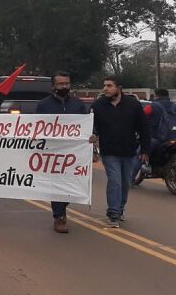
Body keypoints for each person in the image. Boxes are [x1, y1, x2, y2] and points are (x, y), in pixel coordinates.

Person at [34, 71, 96, 233]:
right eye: (60, 84)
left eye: (66, 84)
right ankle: (59, 216)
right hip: (53, 153)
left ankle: (62, 208)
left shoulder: (78, 104)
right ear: (53, 86)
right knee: (57, 185)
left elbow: (87, 125)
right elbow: (36, 128)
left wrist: (92, 137)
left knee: (71, 184)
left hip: (74, 154)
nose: (64, 87)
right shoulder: (44, 105)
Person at [91, 77, 150, 228]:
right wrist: (93, 143)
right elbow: (92, 127)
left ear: (119, 88)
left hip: (129, 151)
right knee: (115, 181)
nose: (105, 89)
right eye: (104, 86)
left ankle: (120, 208)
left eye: (109, 86)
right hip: (109, 152)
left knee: (125, 182)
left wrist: (145, 149)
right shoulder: (98, 105)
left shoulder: (133, 104)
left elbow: (143, 128)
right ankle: (113, 214)